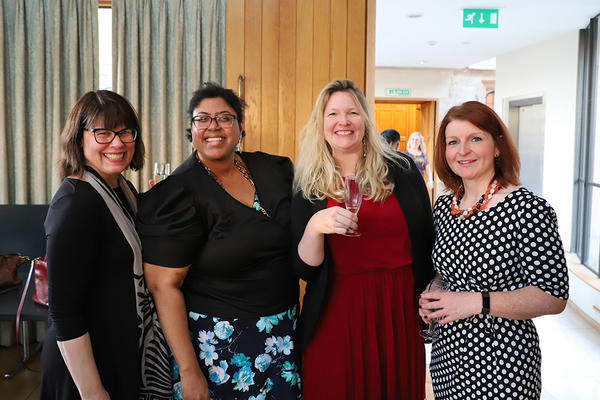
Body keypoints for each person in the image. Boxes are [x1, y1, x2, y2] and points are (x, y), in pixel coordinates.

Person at [137, 83, 301, 400]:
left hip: (284, 334)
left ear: (240, 126)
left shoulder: (274, 169)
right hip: (220, 347)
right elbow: (163, 286)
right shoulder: (178, 193)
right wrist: (188, 371)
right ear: (191, 129)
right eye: (203, 119)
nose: (214, 126)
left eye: (225, 117)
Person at [292, 79, 435, 399]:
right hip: (336, 308)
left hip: (396, 309)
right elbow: (304, 269)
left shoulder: (403, 170)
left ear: (365, 121)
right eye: (333, 114)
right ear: (321, 123)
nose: (343, 121)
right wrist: (315, 226)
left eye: (352, 112)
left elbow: (427, 241)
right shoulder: (308, 181)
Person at [419, 101, 569, 399]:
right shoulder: (445, 206)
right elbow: (447, 271)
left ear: (497, 147)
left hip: (502, 362)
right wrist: (433, 291)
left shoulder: (528, 209)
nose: (463, 150)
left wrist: (475, 302)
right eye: (453, 142)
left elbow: (553, 296)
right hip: (446, 358)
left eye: (475, 138)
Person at [41, 91, 171, 399]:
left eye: (125, 132)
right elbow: (62, 310)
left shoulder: (120, 188)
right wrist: (93, 391)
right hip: (84, 369)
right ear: (79, 138)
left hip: (118, 351)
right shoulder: (74, 203)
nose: (117, 143)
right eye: (103, 133)